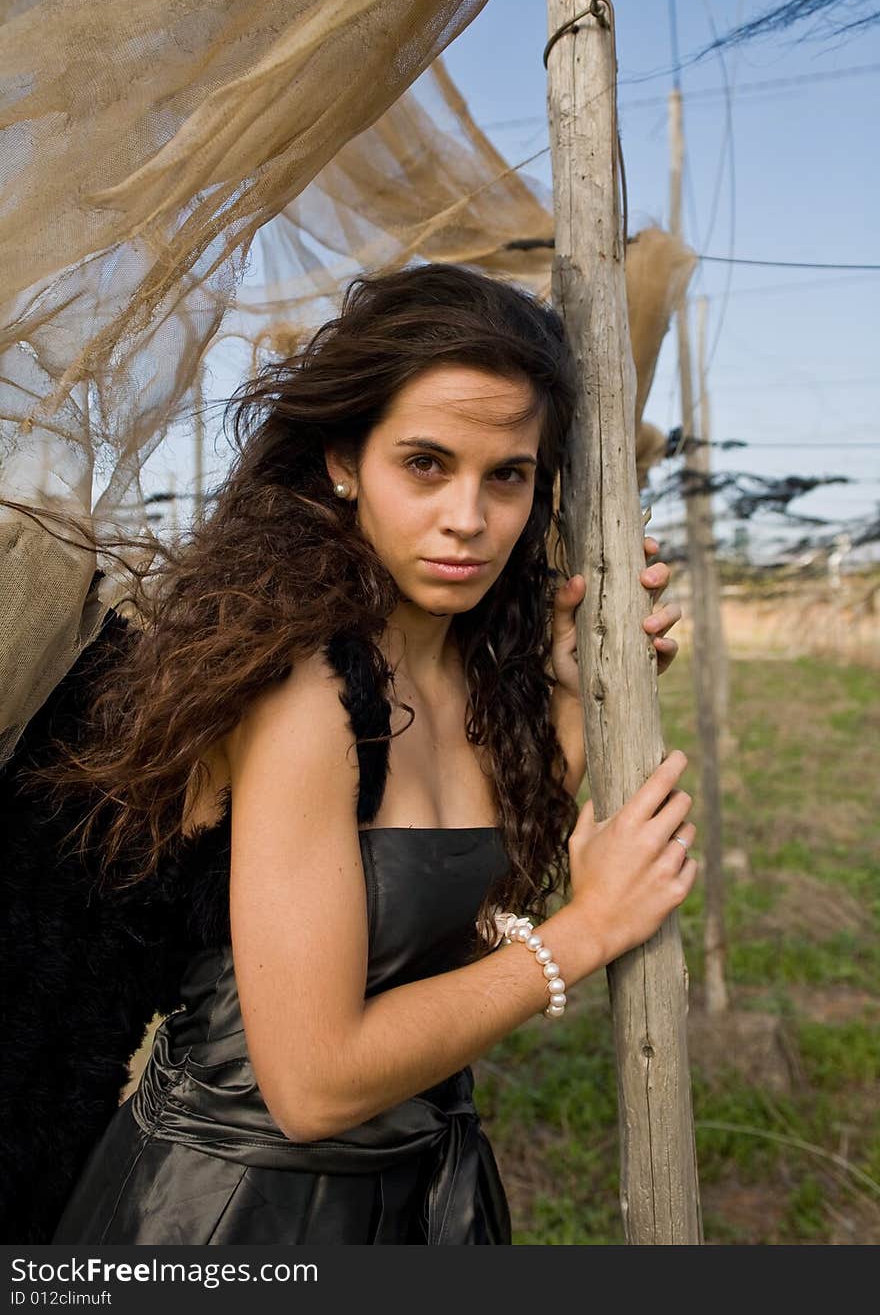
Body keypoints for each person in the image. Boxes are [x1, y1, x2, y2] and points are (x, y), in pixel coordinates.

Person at [29, 262, 694, 1245]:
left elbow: (455, 934)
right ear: (344, 460)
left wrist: (570, 695)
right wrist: (582, 937)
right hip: (237, 1216)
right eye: (426, 463)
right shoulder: (304, 695)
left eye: (505, 475)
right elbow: (311, 1083)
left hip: (419, 1192)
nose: (468, 516)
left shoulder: (472, 673)